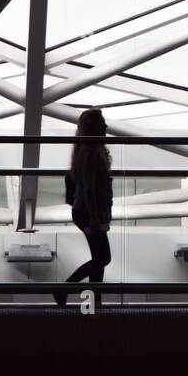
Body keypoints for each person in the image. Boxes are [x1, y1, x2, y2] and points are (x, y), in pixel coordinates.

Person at [55, 108, 113, 307]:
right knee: (103, 257)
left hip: (86, 211)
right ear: (94, 127)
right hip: (90, 212)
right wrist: (95, 218)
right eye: (102, 123)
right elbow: (89, 188)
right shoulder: (92, 153)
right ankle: (66, 288)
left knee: (99, 258)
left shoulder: (84, 150)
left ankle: (94, 301)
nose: (106, 126)